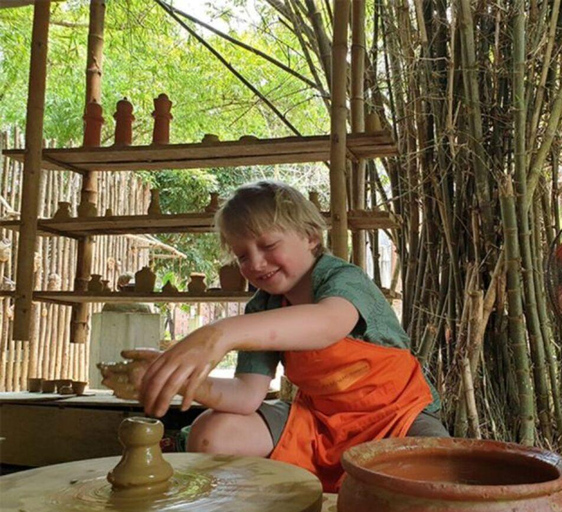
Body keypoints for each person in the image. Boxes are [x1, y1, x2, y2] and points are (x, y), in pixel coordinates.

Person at [120, 180, 448, 492]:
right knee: (211, 433)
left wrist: (220, 333)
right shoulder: (262, 306)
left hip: (397, 420)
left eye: (268, 245)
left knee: (441, 471)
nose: (256, 263)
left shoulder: (343, 280)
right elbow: (246, 396)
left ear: (310, 237)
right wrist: (176, 378)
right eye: (243, 255)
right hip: (320, 426)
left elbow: (327, 324)